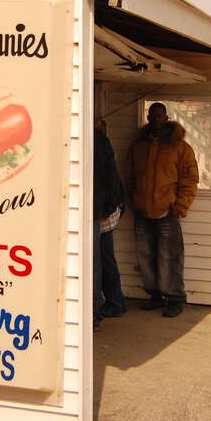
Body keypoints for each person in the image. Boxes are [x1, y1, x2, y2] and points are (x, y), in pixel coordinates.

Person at [128, 102, 199, 318]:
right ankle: (155, 295)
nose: (156, 119)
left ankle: (174, 298)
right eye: (152, 115)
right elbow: (130, 175)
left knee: (169, 258)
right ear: (148, 118)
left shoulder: (180, 147)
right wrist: (133, 199)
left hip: (167, 212)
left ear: (166, 118)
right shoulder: (138, 146)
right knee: (145, 257)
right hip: (142, 211)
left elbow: (190, 178)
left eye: (160, 116)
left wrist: (181, 205)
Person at [93, 121, 126, 330]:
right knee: (104, 259)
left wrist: (106, 208)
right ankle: (114, 302)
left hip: (100, 211)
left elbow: (107, 178)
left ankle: (97, 312)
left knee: (96, 262)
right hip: (105, 209)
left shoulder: (96, 141)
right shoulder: (101, 141)